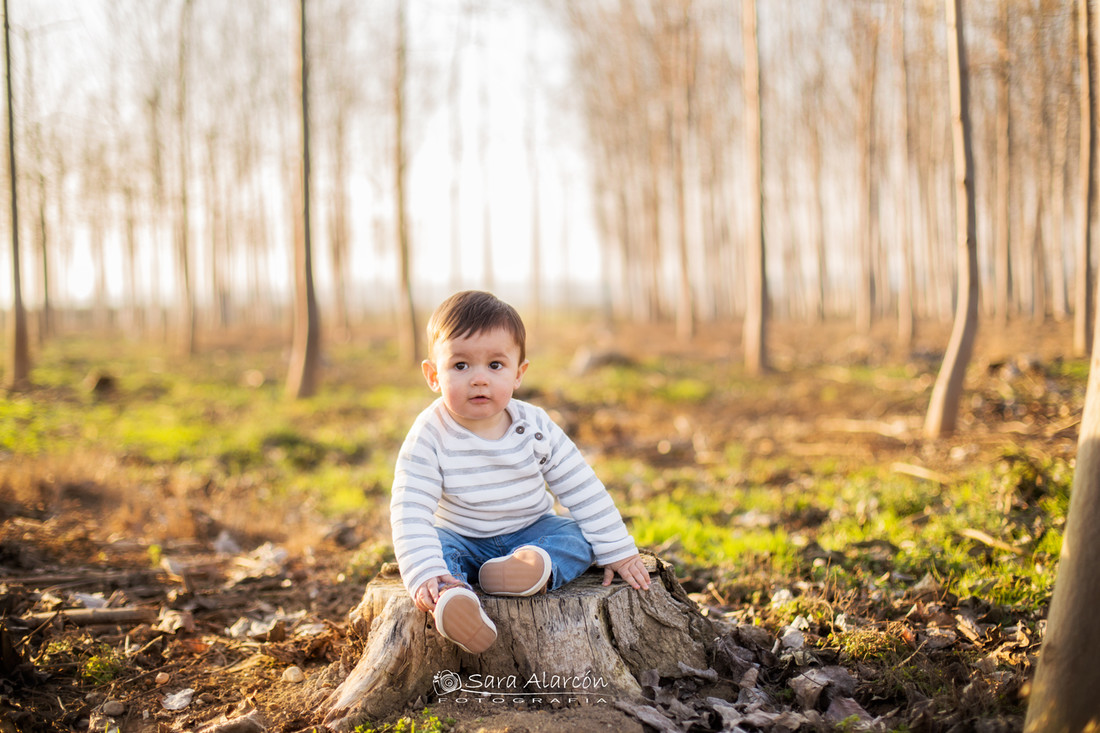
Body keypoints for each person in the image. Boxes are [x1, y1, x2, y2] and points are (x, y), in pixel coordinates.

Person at [389, 290, 651, 654]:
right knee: (439, 552)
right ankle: (454, 599)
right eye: (460, 366)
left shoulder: (535, 425)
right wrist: (423, 572)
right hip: (461, 535)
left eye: (495, 365)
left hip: (531, 530)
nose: (479, 379)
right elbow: (410, 508)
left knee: (578, 538)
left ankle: (528, 570)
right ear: (433, 375)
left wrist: (618, 551)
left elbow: (580, 486)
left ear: (518, 373)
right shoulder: (430, 433)